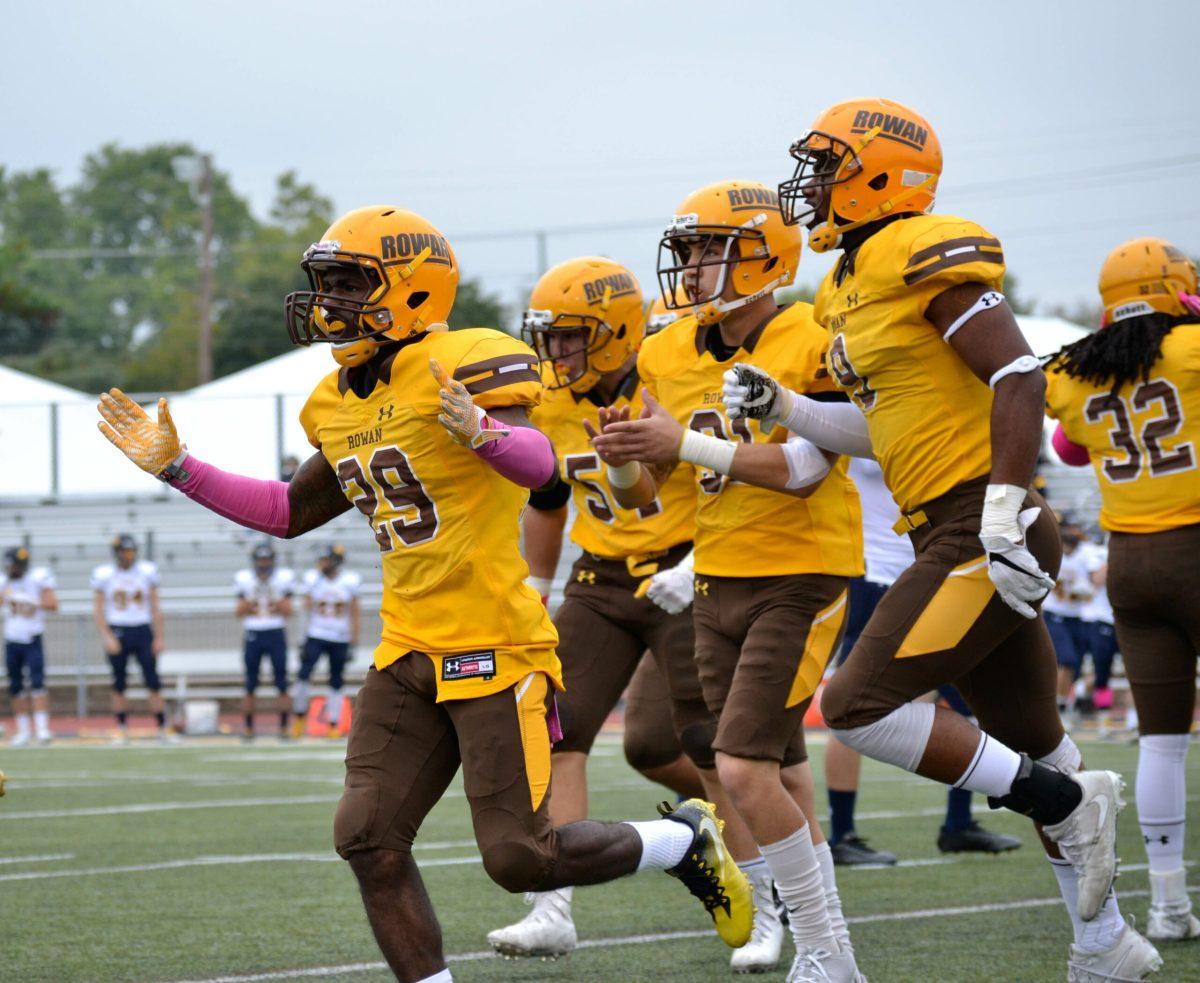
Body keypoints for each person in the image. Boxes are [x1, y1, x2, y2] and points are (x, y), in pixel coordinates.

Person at [96, 204, 752, 983]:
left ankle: (684, 842)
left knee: (520, 857)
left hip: (495, 647)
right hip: (407, 647)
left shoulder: (466, 360)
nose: (330, 302)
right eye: (327, 285)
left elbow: (543, 467)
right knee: (366, 835)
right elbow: (286, 511)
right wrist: (180, 468)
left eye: (348, 284)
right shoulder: (335, 400)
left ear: (410, 292)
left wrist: (482, 432)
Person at [719, 98, 1157, 979]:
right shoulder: (847, 279)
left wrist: (1000, 506)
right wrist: (789, 409)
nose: (812, 182)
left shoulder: (918, 247)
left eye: (829, 163)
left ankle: (1066, 805)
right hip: (946, 525)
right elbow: (880, 430)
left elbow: (1017, 371)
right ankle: (1106, 940)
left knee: (854, 705)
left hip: (982, 520)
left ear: (881, 171)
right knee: (1035, 742)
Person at [594, 180, 866, 982]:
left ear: (766, 253)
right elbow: (652, 495)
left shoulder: (808, 332)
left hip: (800, 568)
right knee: (777, 769)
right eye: (686, 251)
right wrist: (621, 467)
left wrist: (682, 444)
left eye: (711, 248)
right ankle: (834, 948)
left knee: (741, 767)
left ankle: (821, 947)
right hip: (717, 573)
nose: (693, 266)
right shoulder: (666, 350)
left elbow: (807, 468)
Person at [488, 256, 744, 965]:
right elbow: (547, 496)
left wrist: (689, 554)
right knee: (552, 726)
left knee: (681, 744)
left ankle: (770, 860)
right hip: (599, 579)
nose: (555, 350)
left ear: (615, 332)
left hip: (688, 568)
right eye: (550, 336)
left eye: (570, 336)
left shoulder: (672, 379)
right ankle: (555, 906)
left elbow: (681, 487)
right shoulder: (550, 398)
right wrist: (537, 587)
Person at [1045, 236, 1200, 943]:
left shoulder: (1079, 371)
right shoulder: (1193, 349)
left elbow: (1069, 448)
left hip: (1131, 563)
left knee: (1162, 740)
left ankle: (1168, 903)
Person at [826, 459, 1021, 863]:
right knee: (851, 706)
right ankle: (842, 833)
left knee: (969, 700)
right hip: (878, 576)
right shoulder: (865, 414)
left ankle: (958, 823)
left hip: (931, 576)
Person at [91, 534, 171, 744]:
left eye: (131, 551)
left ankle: (163, 728)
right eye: (125, 551)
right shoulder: (105, 575)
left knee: (153, 681)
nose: (129, 555)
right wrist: (107, 636)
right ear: (116, 553)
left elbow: (155, 607)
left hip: (142, 630)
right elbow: (98, 610)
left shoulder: (146, 572)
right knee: (119, 683)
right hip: (118, 629)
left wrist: (159, 637)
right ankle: (121, 729)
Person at [293, 544, 360, 737]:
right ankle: (299, 717)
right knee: (303, 675)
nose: (322, 563)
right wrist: (301, 639)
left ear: (336, 561)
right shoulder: (313, 580)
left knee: (336, 680)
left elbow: (354, 613)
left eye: (326, 559)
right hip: (316, 635)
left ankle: (333, 724)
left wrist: (353, 642)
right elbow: (304, 611)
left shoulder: (349, 581)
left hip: (340, 638)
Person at [235, 542, 295, 739]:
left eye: (266, 559)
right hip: (254, 632)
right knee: (250, 683)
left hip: (275, 631)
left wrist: (271, 592)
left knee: (282, 682)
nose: (263, 564)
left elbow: (287, 611)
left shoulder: (282, 579)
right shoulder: (245, 579)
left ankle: (285, 726)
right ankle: (248, 727)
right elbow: (239, 612)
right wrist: (254, 594)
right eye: (260, 560)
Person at [2, 547, 57, 745]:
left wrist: (32, 601)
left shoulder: (36, 579)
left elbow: (53, 605)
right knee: (16, 686)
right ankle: (23, 730)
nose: (11, 569)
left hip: (33, 637)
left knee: (37, 683)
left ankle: (42, 729)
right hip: (12, 638)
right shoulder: (4, 582)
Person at [1043, 519, 1095, 724]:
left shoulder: (1086, 554)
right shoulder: (1051, 553)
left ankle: (1065, 701)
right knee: (1067, 660)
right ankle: (1059, 706)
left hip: (1077, 616)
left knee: (1076, 664)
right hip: (1055, 614)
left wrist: (1086, 589)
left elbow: (1093, 587)